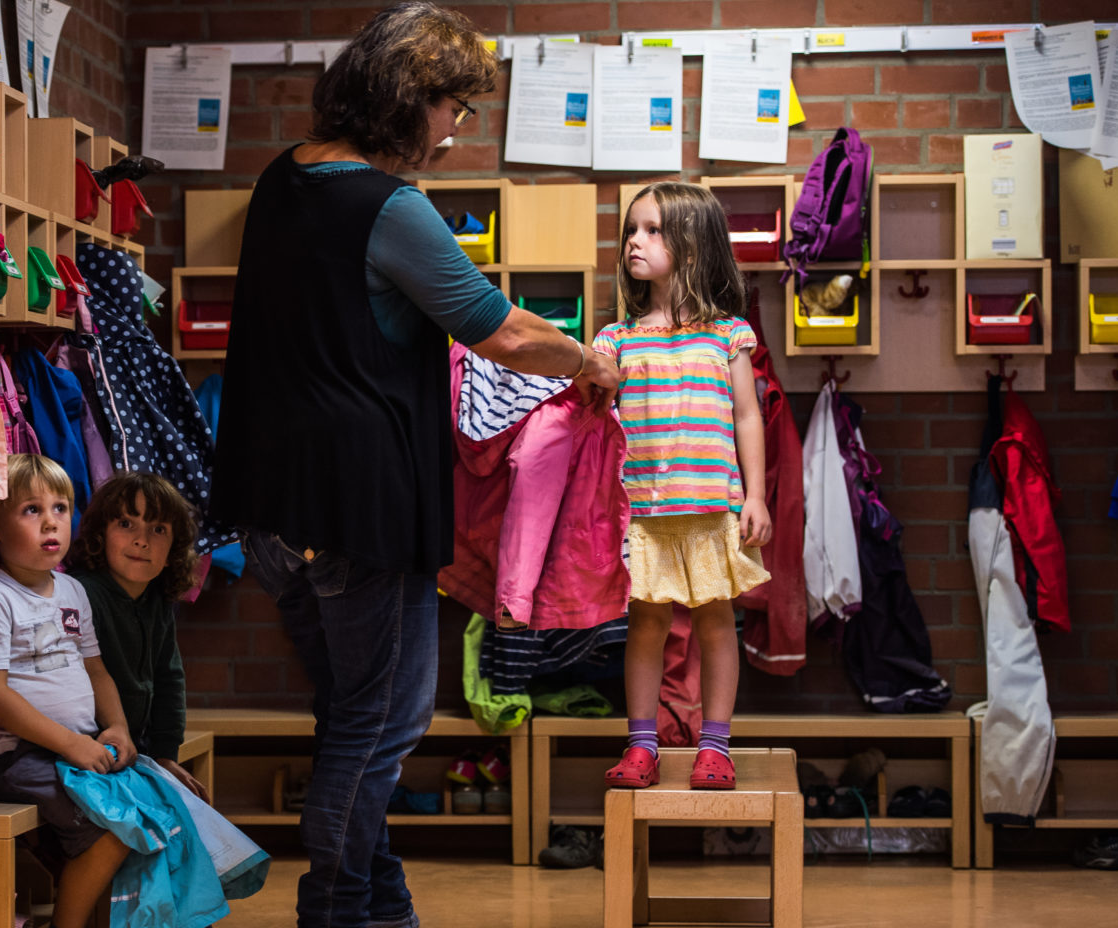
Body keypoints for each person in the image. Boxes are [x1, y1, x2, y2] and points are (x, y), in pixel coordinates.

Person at [209, 4, 621, 926]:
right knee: (382, 724)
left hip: (277, 510)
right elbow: (500, 327)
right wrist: (593, 361)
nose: (455, 129)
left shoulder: (283, 181)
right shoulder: (389, 208)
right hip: (359, 509)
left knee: (351, 718)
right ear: (409, 99)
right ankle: (337, 905)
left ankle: (381, 901)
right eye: (454, 107)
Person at [596, 183, 773, 792]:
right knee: (644, 626)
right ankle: (642, 745)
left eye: (651, 230)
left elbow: (749, 416)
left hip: (712, 508)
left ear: (692, 247)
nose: (634, 242)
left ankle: (715, 747)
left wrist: (755, 496)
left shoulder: (728, 336)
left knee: (716, 624)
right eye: (631, 231)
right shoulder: (616, 341)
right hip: (643, 512)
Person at [0, 454, 137, 928]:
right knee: (113, 830)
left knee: (148, 808)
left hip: (78, 747)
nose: (51, 522)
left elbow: (96, 671)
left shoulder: (72, 592)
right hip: (20, 755)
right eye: (31, 510)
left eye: (61, 508)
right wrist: (72, 745)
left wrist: (118, 727)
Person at [68, 471, 209, 801]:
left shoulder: (157, 599)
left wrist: (165, 756)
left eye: (158, 529)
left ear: (174, 546)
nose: (142, 540)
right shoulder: (81, 594)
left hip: (135, 746)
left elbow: (169, 678)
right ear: (101, 532)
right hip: (86, 752)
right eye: (126, 524)